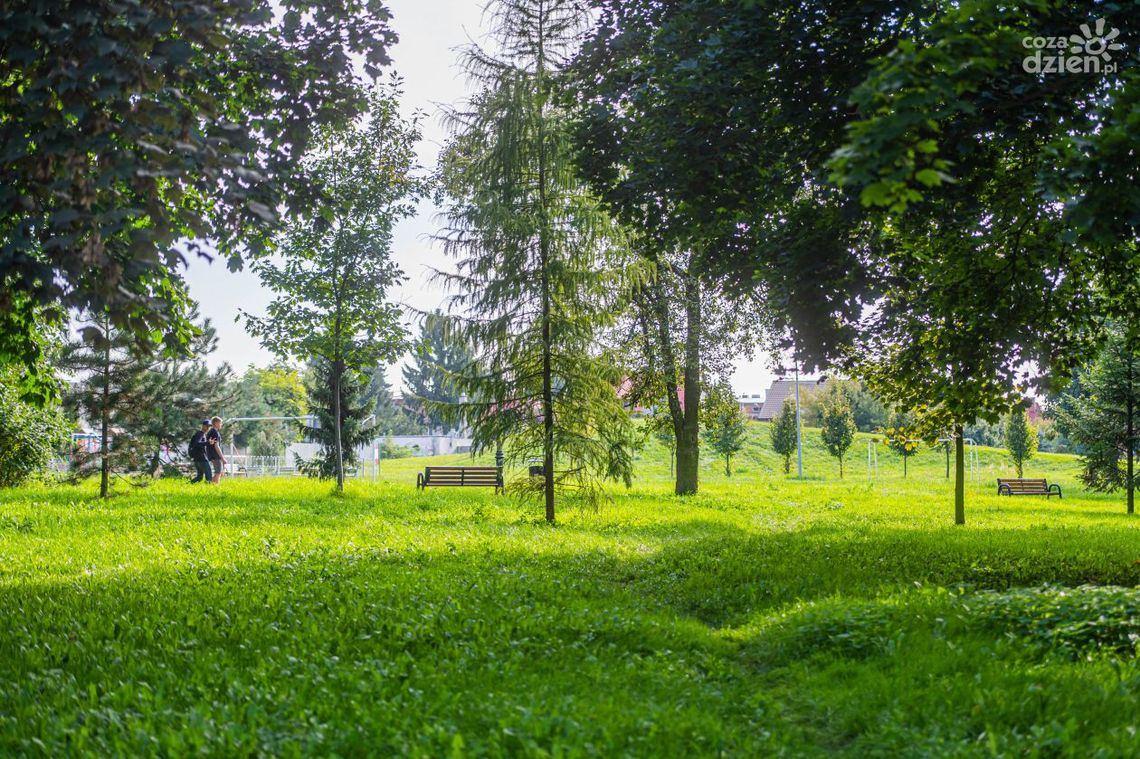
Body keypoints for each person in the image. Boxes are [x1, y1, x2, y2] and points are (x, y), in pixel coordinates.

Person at [206, 416, 226, 483]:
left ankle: (209, 485)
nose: (221, 424)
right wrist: (222, 458)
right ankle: (215, 487)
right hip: (215, 455)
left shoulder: (211, 431)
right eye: (220, 423)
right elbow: (216, 446)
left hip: (211, 454)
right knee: (218, 472)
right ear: (216, 423)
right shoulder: (214, 432)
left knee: (219, 472)